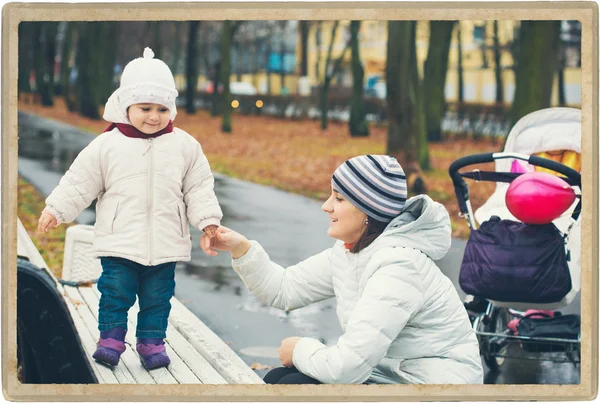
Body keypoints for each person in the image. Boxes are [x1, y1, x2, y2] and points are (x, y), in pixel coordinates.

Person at [201, 155, 483, 384]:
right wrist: (241, 249)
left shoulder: (399, 267)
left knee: (291, 386)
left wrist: (299, 349)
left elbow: (346, 370)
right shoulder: (352, 253)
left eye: (338, 199)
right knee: (281, 379)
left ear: (367, 211)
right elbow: (284, 290)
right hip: (388, 376)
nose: (326, 206)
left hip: (432, 389)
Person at [37, 47, 223, 370]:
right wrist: (56, 208)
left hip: (165, 245)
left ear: (172, 108)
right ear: (126, 105)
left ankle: (151, 343)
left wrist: (207, 222)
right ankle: (110, 338)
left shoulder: (184, 146)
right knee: (115, 291)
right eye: (145, 108)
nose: (154, 116)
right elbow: (80, 180)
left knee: (158, 298)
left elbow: (198, 187)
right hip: (119, 241)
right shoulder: (108, 145)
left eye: (162, 108)